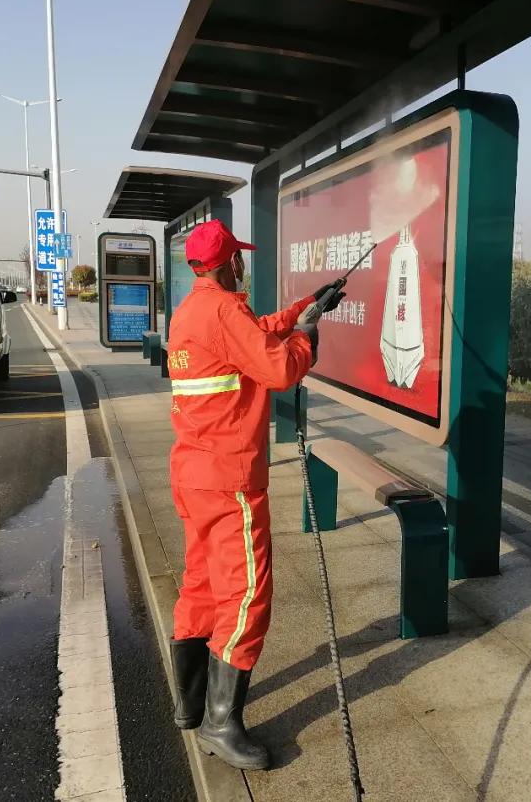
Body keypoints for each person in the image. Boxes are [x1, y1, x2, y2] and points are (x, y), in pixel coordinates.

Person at [167, 219, 342, 770]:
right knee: (246, 595)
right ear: (231, 263)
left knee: (201, 585)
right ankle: (221, 724)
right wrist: (307, 338)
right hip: (230, 480)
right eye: (239, 257)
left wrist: (302, 308)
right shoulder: (224, 311)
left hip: (193, 473)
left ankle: (190, 705)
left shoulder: (191, 311)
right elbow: (279, 367)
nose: (243, 263)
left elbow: (251, 333)